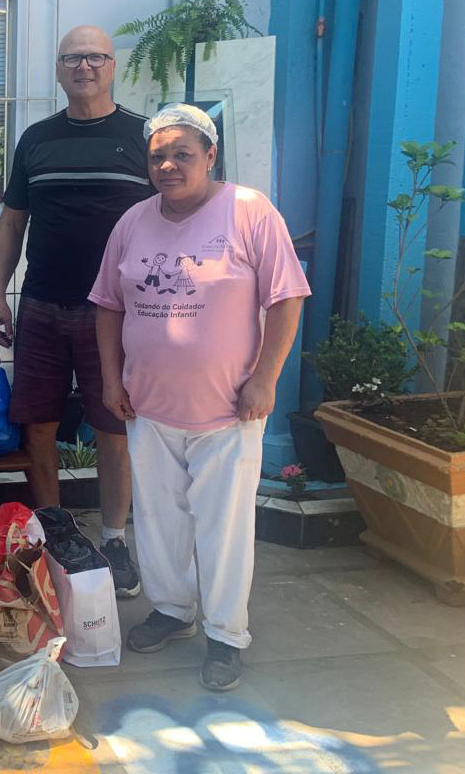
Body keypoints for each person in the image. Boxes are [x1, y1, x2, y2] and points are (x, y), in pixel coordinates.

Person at [88, 103, 309, 691]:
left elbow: (287, 297)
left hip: (227, 410)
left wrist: (265, 377)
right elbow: (107, 305)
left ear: (211, 155)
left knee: (224, 527)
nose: (168, 164)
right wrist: (112, 381)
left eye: (182, 153)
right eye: (158, 154)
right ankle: (172, 610)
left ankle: (225, 634)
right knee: (158, 520)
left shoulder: (247, 210)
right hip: (149, 406)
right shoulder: (133, 222)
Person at [0, 24, 152, 597]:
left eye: (95, 57)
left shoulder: (144, 137)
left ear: (113, 66)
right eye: (72, 58)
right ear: (58, 71)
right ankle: (54, 532)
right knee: (39, 424)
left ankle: (113, 539)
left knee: (113, 426)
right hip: (41, 306)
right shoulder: (36, 139)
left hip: (116, 313)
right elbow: (13, 222)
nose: (84, 67)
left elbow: (174, 219)